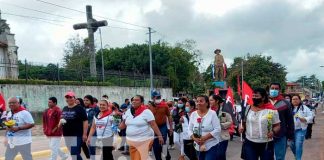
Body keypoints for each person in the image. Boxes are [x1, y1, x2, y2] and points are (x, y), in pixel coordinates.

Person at [239, 88, 281, 160]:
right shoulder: (248, 108)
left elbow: (277, 125)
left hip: (266, 143)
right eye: (253, 96)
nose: (254, 98)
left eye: (256, 96)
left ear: (263, 97)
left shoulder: (271, 110)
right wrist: (241, 127)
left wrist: (273, 132)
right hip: (250, 142)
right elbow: (244, 122)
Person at [119, 95, 164, 160]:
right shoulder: (128, 111)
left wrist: (160, 136)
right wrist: (117, 128)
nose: (134, 101)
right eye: (133, 100)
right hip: (131, 140)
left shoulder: (146, 112)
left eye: (137, 100)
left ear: (142, 102)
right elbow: (124, 123)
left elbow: (153, 124)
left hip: (144, 140)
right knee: (135, 158)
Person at [188, 95, 221, 160]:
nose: (198, 103)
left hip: (211, 144)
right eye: (197, 101)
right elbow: (189, 130)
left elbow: (217, 129)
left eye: (201, 101)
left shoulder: (212, 113)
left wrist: (205, 138)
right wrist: (195, 138)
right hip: (198, 145)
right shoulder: (193, 114)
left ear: (207, 103)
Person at [269, 82, 295, 160]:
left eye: (276, 89)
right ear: (269, 89)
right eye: (272, 88)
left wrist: (290, 135)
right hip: (266, 135)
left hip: (281, 134)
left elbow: (290, 120)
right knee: (267, 157)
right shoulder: (264, 102)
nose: (274, 90)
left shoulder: (285, 103)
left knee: (280, 157)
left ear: (280, 90)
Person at [60, 91, 88, 160]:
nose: (69, 99)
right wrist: (59, 124)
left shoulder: (80, 108)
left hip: (77, 134)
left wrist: (85, 134)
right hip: (66, 134)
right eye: (67, 97)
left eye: (70, 97)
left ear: (74, 98)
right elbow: (61, 119)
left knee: (74, 152)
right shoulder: (64, 108)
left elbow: (85, 121)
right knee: (74, 153)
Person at [289, 95, 314, 160]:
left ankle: (298, 158)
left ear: (300, 100)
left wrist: (304, 119)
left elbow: (311, 116)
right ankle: (296, 155)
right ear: (291, 100)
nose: (295, 100)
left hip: (300, 129)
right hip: (291, 130)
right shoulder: (288, 108)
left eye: (296, 99)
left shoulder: (305, 108)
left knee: (298, 144)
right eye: (293, 99)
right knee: (291, 144)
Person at [150, 91, 173, 160]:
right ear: (152, 98)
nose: (158, 98)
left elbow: (169, 116)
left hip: (162, 126)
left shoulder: (165, 106)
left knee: (162, 141)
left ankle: (167, 155)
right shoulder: (149, 107)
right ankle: (159, 158)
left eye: (159, 97)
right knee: (156, 145)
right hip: (153, 128)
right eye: (157, 97)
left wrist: (171, 128)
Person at [209, 94, 233, 160]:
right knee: (214, 156)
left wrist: (221, 125)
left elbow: (229, 122)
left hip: (222, 137)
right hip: (210, 137)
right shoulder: (208, 111)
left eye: (211, 100)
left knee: (220, 155)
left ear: (216, 101)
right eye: (209, 100)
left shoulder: (223, 111)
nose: (209, 101)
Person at [82, 95, 99, 159]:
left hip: (92, 129)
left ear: (91, 101)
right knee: (87, 145)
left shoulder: (96, 108)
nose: (85, 102)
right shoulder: (83, 108)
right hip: (85, 130)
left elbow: (97, 118)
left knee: (91, 146)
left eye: (87, 100)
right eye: (84, 100)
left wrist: (89, 124)